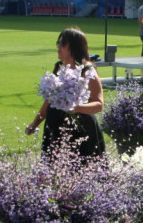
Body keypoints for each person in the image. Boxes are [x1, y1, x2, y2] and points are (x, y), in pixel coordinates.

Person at [26, 26, 105, 158]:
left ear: (74, 46)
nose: (58, 47)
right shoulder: (58, 67)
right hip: (55, 125)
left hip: (81, 129)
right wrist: (35, 123)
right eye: (58, 43)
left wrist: (77, 107)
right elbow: (49, 99)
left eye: (62, 43)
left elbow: (99, 104)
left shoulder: (87, 70)